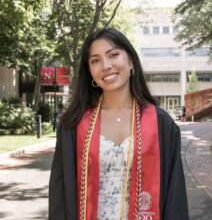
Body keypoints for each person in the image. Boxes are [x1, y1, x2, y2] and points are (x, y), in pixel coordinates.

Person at [49, 28, 189, 220]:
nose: (106, 65)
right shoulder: (74, 126)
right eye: (95, 60)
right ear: (89, 70)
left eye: (113, 54)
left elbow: (175, 197)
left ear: (131, 60)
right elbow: (59, 195)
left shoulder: (161, 124)